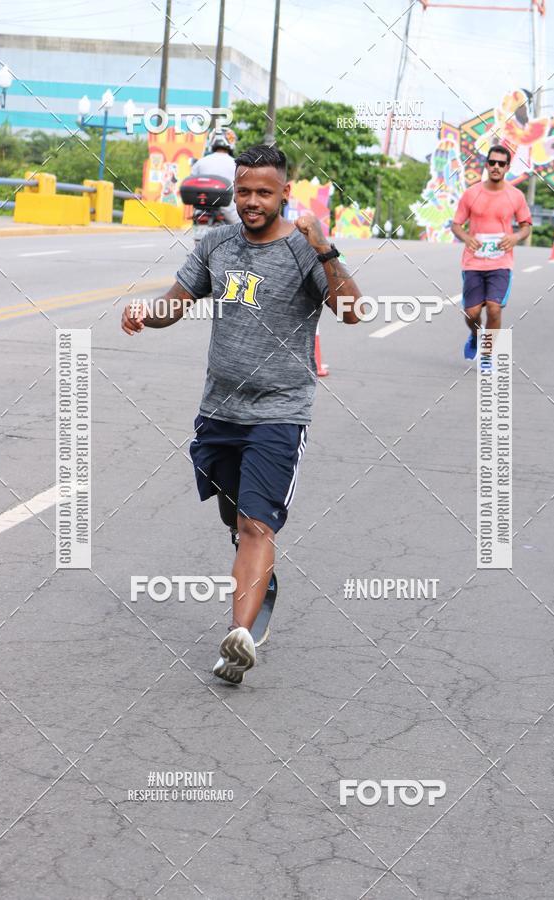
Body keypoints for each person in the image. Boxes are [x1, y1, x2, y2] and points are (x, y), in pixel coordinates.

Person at [121, 144, 362, 684]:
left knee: (257, 524)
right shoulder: (216, 242)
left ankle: (239, 639)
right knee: (237, 521)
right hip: (219, 412)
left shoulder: (304, 250)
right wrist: (144, 312)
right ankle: (261, 579)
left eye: (264, 192)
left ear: (284, 194)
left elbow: (352, 312)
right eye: (245, 190)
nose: (252, 202)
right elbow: (175, 302)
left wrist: (325, 251)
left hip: (280, 411)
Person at [451, 144, 532, 362]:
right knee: (472, 314)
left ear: (507, 167)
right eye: (492, 162)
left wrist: (515, 237)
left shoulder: (515, 196)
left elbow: (526, 225)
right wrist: (467, 238)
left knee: (494, 309)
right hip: (473, 263)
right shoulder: (471, 194)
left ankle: (487, 354)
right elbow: (456, 224)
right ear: (487, 165)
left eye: (501, 163)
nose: (496, 167)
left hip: (501, 262)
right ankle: (476, 336)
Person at [190, 129, 238, 224]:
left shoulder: (200, 162)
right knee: (242, 228)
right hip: (227, 207)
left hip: (201, 207)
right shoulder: (235, 164)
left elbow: (192, 181)